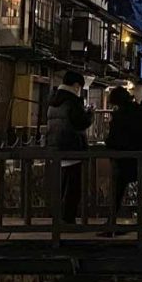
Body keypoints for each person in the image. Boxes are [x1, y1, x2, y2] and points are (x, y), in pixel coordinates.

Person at [104, 86, 142, 234]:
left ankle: (110, 222)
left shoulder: (119, 116)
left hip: (126, 158)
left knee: (118, 190)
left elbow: (112, 139)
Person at [46, 70, 92, 224]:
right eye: (79, 87)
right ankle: (68, 219)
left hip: (56, 147)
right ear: (76, 85)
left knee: (60, 186)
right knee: (74, 187)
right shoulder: (73, 100)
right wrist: (90, 114)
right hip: (72, 147)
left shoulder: (53, 100)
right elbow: (81, 122)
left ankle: (57, 217)